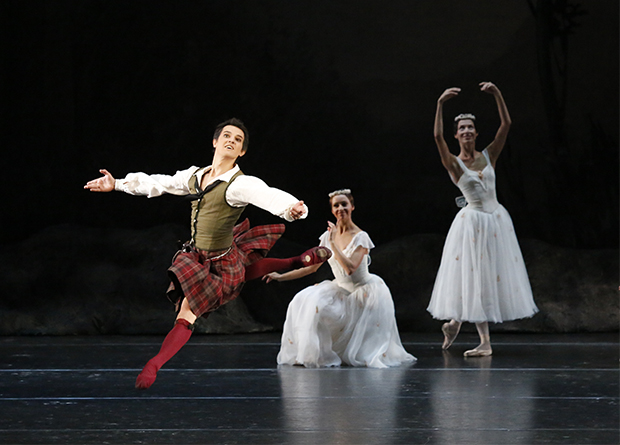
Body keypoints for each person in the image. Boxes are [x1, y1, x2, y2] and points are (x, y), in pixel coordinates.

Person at [84, 118, 331, 388]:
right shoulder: (194, 176)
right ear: (215, 141)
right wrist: (117, 184)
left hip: (220, 262)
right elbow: (160, 183)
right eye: (227, 135)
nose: (231, 141)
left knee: (188, 312)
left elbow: (268, 195)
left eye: (237, 140)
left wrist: (292, 209)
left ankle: (154, 364)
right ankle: (295, 260)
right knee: (245, 272)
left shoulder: (239, 185)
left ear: (242, 152)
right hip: (198, 256)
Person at [427, 82, 538, 357]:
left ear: (476, 133)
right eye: (461, 128)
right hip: (472, 223)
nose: (466, 131)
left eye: (469, 127)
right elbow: (437, 138)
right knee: (474, 278)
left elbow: (506, 124)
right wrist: (440, 104)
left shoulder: (489, 155)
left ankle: (454, 324)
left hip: (497, 220)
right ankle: (482, 341)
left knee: (490, 277)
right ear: (457, 135)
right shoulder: (454, 163)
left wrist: (498, 94)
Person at [264, 189, 416, 368]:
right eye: (336, 205)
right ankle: (312, 354)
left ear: (352, 207)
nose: (341, 208)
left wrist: (333, 243)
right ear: (332, 210)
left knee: (361, 353)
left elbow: (350, 268)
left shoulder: (361, 237)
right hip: (341, 290)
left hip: (364, 292)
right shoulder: (327, 237)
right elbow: (311, 268)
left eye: (344, 204)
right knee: (303, 301)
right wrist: (280, 277)